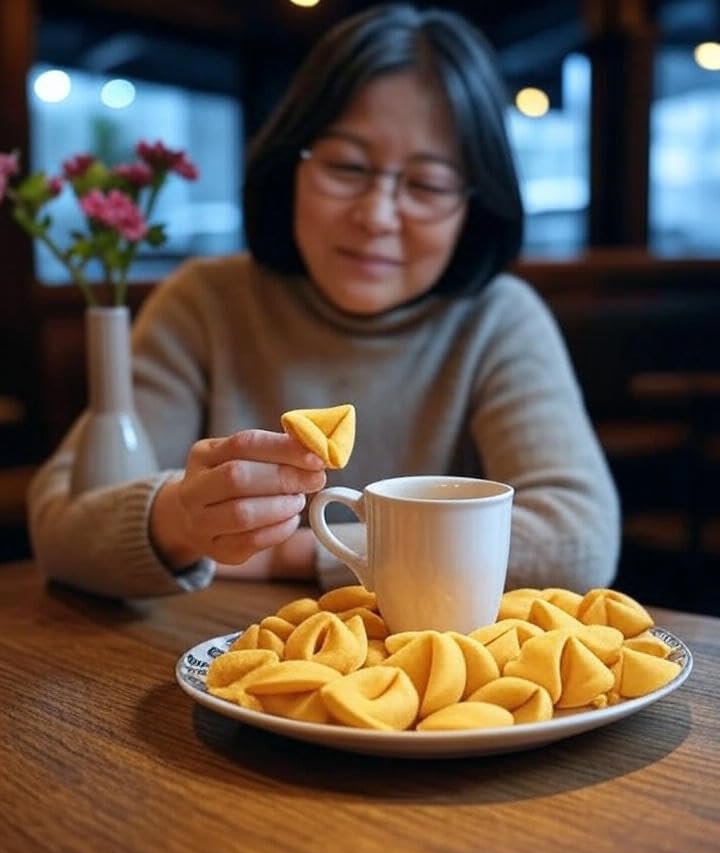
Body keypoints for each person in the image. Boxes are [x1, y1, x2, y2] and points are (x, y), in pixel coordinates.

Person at [28, 3, 620, 600]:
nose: (377, 216)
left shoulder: (497, 318)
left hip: (438, 680)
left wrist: (295, 552)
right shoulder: (205, 304)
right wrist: (185, 518)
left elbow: (579, 540)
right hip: (226, 662)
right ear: (292, 166)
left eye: (427, 184)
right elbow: (58, 523)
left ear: (473, 205)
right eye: (346, 166)